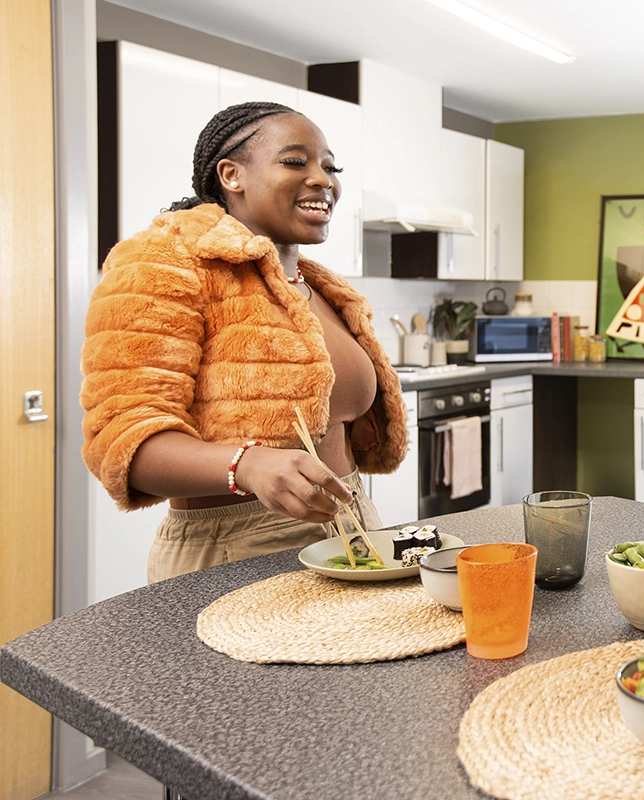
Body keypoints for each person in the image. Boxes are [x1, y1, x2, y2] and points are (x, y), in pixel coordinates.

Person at [82, 101, 408, 583]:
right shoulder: (165, 263)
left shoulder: (318, 287)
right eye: (296, 161)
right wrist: (249, 465)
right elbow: (121, 437)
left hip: (352, 528)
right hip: (235, 549)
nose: (323, 179)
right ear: (231, 175)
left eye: (330, 166)